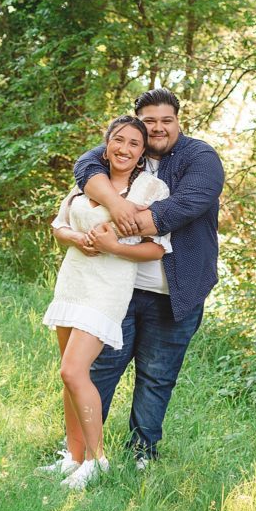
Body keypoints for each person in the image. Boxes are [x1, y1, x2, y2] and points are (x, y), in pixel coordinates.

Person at [74, 88, 223, 469]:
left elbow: (184, 206)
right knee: (99, 370)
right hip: (116, 288)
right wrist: (116, 203)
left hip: (175, 292)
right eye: (150, 121)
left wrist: (114, 226)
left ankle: (142, 454)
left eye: (166, 120)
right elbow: (85, 167)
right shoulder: (127, 149)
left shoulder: (200, 157)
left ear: (178, 121)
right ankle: (84, 455)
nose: (158, 127)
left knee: (157, 377)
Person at [39, 116, 172, 490]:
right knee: (69, 376)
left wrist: (113, 246)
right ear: (107, 144)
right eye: (118, 140)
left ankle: (97, 461)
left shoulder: (152, 189)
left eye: (134, 143)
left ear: (142, 153)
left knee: (73, 371)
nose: (124, 148)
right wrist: (77, 239)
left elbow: (158, 249)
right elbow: (59, 225)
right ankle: (73, 457)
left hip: (107, 289)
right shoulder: (88, 180)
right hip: (73, 281)